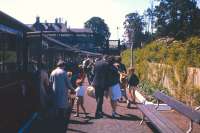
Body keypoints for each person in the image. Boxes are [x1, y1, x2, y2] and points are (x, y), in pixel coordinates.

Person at [49, 60, 74, 133]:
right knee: (62, 106)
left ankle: (55, 120)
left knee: (56, 105)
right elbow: (68, 83)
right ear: (63, 65)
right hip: (63, 92)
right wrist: (72, 89)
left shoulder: (53, 72)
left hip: (54, 91)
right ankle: (61, 121)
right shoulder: (64, 73)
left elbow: (50, 82)